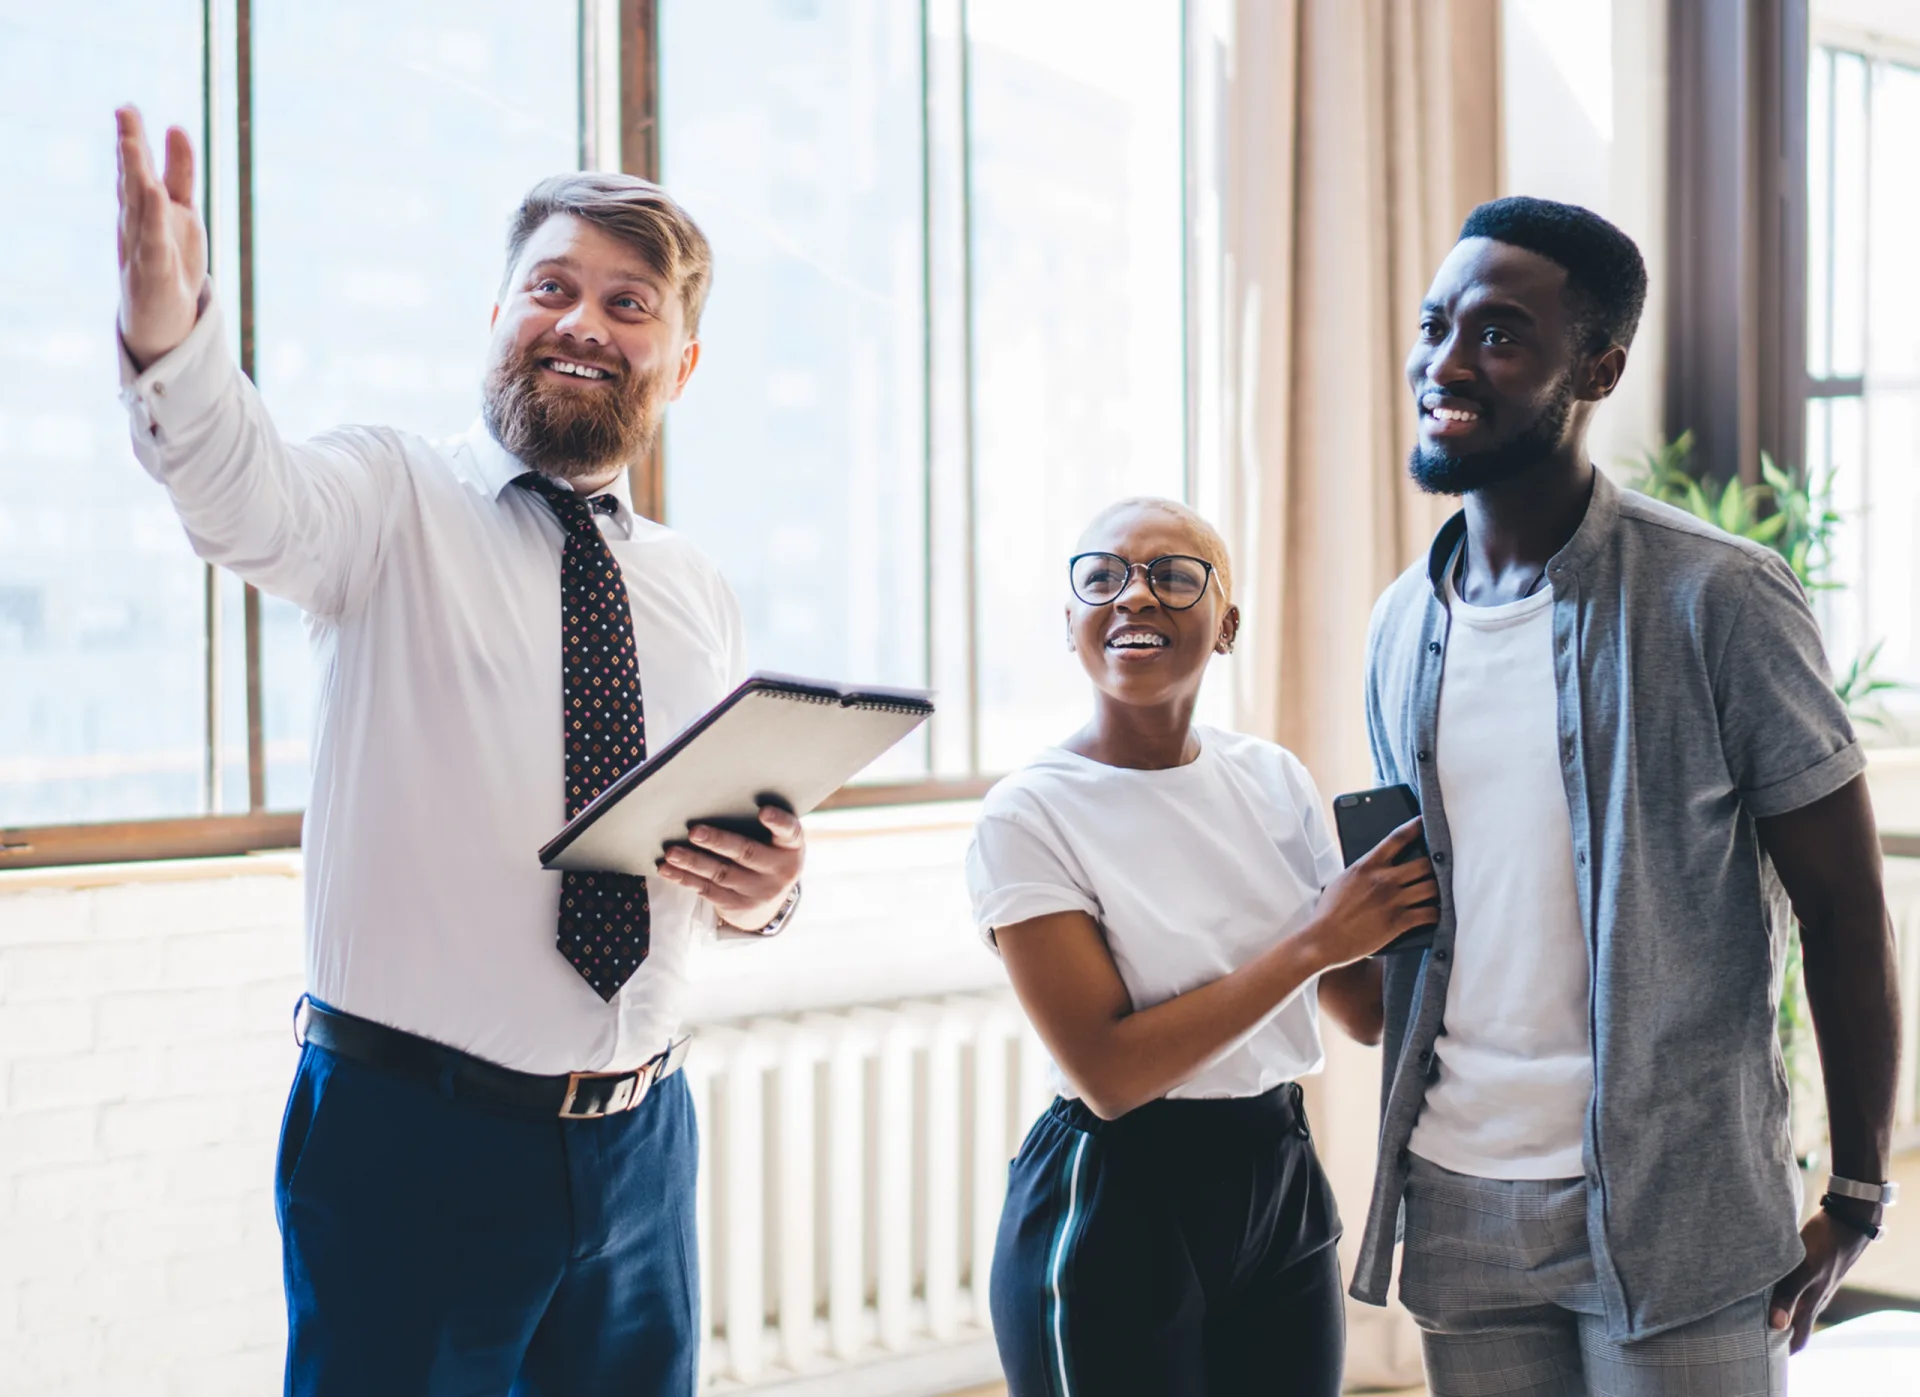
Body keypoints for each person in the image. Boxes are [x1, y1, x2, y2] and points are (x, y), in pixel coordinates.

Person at [113, 108, 806, 1396]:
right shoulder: (390, 499)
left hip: (643, 1143)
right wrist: (175, 336)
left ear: (682, 365)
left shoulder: (693, 586)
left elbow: (711, 846)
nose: (586, 323)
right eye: (552, 287)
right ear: (496, 315)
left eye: (629, 303)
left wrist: (766, 894)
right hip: (409, 1141)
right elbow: (238, 491)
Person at [1349, 195, 1902, 1395]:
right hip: (1457, 1194)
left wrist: (1858, 1189)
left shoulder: (1722, 598)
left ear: (1595, 367)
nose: (1446, 362)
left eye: (1498, 335)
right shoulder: (1400, 624)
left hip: (1679, 1203)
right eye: (1437, 324)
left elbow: (1847, 911)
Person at [965, 497, 1436, 1397]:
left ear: (1225, 625)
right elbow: (1110, 1072)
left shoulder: (1272, 776)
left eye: (1174, 575)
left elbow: (1362, 1011)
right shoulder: (1028, 813)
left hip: (1277, 1167)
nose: (1134, 595)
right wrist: (1313, 940)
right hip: (1117, 1187)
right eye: (1102, 576)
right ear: (1072, 625)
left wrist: (1411, 899)